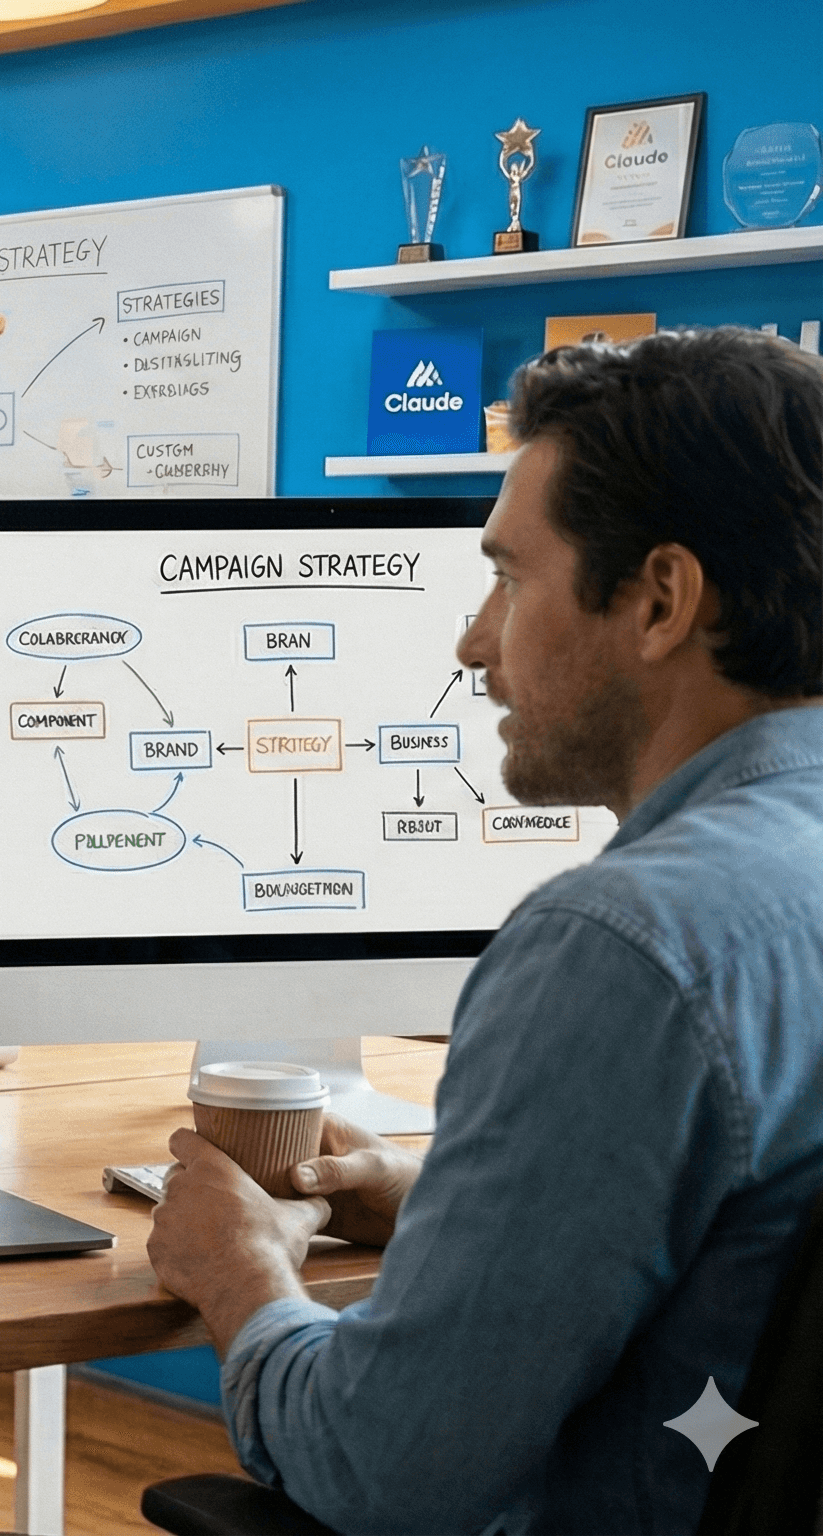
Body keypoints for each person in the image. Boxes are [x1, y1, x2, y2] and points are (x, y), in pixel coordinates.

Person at [144, 327, 823, 1533]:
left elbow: (379, 1470)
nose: (471, 641)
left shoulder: (623, 945)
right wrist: (449, 1208)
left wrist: (235, 1271)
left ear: (658, 599)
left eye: (508, 578)